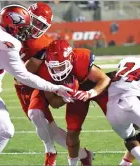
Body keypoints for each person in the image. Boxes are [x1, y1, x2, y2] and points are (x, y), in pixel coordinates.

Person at [0, 5, 72, 165]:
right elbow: (24, 76)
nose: (28, 30)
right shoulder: (7, 43)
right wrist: (55, 88)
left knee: (6, 130)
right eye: (23, 27)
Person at [14, 3, 94, 165]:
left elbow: (31, 72)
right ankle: (83, 154)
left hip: (38, 83)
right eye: (34, 21)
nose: (35, 27)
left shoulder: (42, 44)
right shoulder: (11, 28)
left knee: (37, 116)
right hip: (21, 85)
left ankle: (50, 152)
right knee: (48, 128)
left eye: (40, 25)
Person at [44, 39, 111, 166]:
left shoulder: (81, 59)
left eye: (61, 66)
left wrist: (90, 93)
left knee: (118, 118)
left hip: (94, 88)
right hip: (74, 95)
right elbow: (53, 102)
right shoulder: (46, 73)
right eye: (54, 67)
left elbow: (104, 79)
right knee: (72, 131)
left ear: (70, 59)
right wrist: (65, 98)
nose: (58, 71)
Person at [106, 57, 140, 166]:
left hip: (112, 109)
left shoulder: (122, 67)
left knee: (129, 138)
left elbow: (105, 78)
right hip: (133, 99)